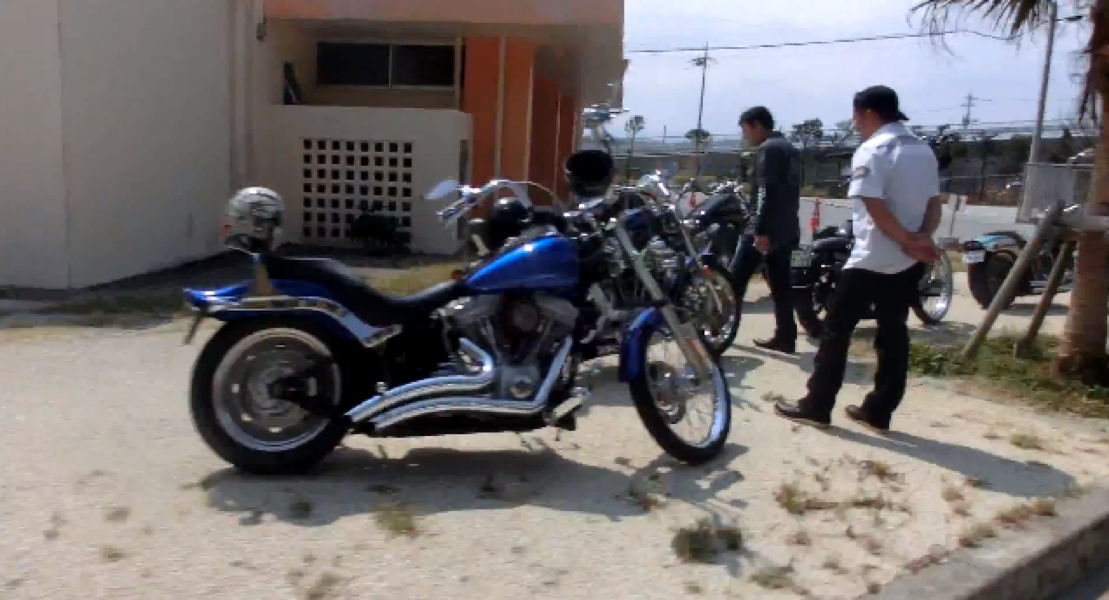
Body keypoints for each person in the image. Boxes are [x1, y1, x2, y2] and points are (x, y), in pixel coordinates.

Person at [775, 85, 942, 433]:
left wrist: (904, 240)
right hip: (907, 261)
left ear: (867, 113)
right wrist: (920, 239)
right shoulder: (922, 149)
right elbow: (933, 203)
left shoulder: (873, 149)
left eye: (855, 116)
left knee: (835, 331)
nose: (854, 123)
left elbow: (873, 205)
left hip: (871, 258)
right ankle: (879, 410)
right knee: (893, 332)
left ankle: (817, 405)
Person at [731, 106, 802, 354]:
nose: (745, 136)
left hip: (765, 228)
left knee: (735, 281)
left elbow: (765, 191)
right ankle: (786, 336)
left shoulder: (767, 150)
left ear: (758, 125)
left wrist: (759, 230)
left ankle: (721, 332)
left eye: (746, 130)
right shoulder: (789, 148)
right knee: (781, 286)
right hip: (787, 226)